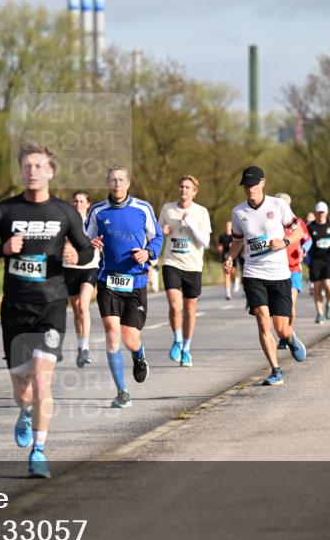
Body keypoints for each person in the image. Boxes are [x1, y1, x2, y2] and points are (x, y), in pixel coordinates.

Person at [0, 143, 93, 478]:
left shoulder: (64, 213)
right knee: (22, 387)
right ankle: (25, 411)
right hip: (15, 307)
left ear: (51, 171)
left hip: (50, 304)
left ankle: (39, 450)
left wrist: (74, 258)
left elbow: (85, 251)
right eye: (26, 166)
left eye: (39, 166)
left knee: (42, 380)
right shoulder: (4, 210)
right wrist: (2, 249)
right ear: (21, 171)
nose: (32, 171)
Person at [85, 166, 163, 407]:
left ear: (128, 183)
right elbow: (83, 238)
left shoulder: (143, 208)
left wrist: (148, 252)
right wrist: (91, 243)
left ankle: (139, 356)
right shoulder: (97, 210)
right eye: (112, 179)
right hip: (108, 278)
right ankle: (122, 392)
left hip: (136, 280)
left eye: (121, 179)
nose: (116, 183)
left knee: (130, 339)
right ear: (108, 183)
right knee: (111, 331)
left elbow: (157, 237)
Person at [223, 167, 306, 386]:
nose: (249, 189)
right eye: (246, 185)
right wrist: (230, 257)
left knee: (281, 328)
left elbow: (299, 232)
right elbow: (238, 240)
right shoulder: (238, 212)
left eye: (253, 184)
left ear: (262, 183)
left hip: (279, 273)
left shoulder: (279, 205)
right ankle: (275, 369)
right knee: (262, 321)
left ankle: (289, 336)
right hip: (253, 272)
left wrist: (284, 242)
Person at [159, 175, 212, 367]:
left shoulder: (201, 212)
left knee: (190, 310)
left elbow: (205, 242)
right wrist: (162, 230)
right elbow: (157, 233)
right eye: (181, 186)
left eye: (188, 187)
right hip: (172, 263)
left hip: (193, 266)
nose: (183, 190)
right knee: (175, 305)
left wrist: (190, 225)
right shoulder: (167, 208)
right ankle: (178, 339)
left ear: (195, 192)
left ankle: (187, 348)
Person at [63, 190, 99, 367]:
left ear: (88, 204)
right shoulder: (66, 222)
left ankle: (85, 348)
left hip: (89, 267)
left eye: (81, 201)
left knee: (84, 307)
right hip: (69, 269)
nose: (78, 204)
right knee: (76, 310)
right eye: (75, 201)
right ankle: (80, 347)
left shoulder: (93, 221)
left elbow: (102, 240)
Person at [273, 193, 311, 346]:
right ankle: (284, 333)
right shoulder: (273, 223)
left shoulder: (297, 222)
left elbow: (308, 240)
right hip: (275, 270)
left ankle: (287, 333)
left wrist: (303, 249)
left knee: (289, 302)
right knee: (277, 305)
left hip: (293, 268)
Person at [307, 202, 330, 323]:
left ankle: (329, 303)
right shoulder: (310, 227)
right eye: (318, 212)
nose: (321, 215)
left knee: (329, 286)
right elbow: (305, 241)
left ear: (326, 212)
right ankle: (319, 313)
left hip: (328, 259)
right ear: (315, 213)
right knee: (317, 287)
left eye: (323, 212)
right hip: (315, 260)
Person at [217, 221, 241, 300]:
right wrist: (220, 248)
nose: (228, 227)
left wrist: (233, 245)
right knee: (226, 275)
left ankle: (236, 280)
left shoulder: (234, 236)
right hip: (225, 257)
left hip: (233, 257)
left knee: (232, 273)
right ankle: (228, 294)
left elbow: (238, 244)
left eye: (230, 225)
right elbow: (219, 246)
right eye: (227, 225)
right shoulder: (222, 236)